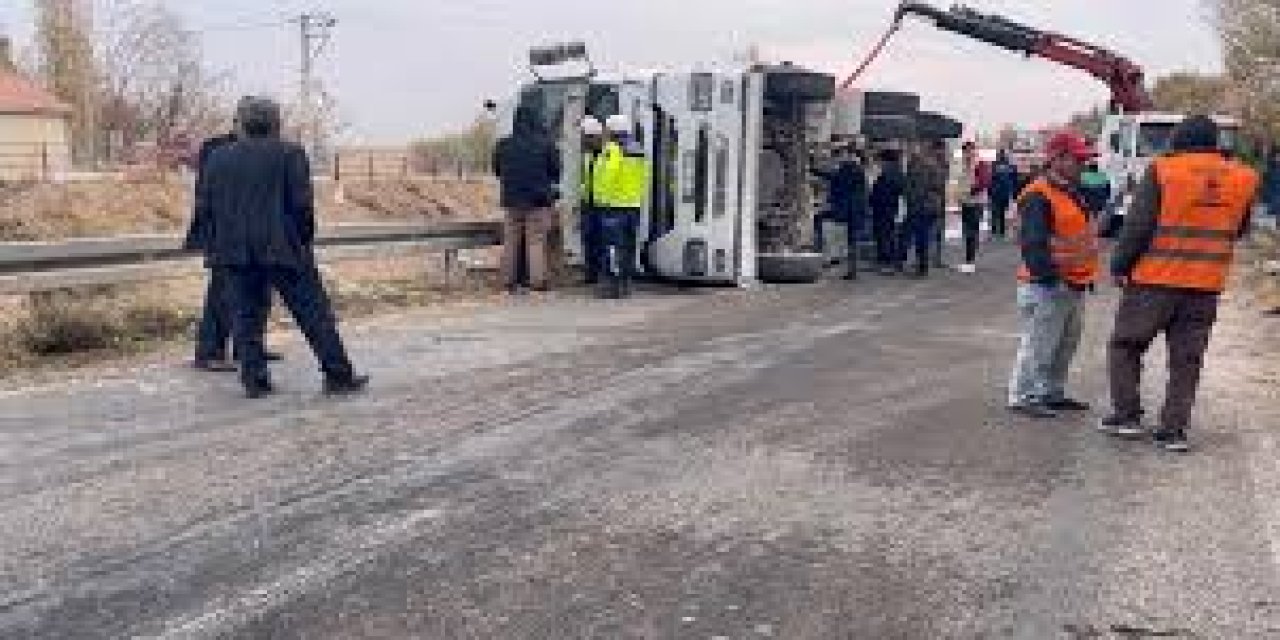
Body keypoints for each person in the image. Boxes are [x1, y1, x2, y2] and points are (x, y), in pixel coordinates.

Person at [1101, 115, 1259, 452]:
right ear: (1217, 142)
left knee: (1126, 345)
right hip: (1205, 284)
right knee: (1187, 359)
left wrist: (1119, 264)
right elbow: (1241, 229)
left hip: (1153, 282)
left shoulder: (1162, 171)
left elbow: (1138, 226)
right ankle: (1173, 431)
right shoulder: (1245, 177)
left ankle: (1126, 417)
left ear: (1178, 140)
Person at [196, 96, 367, 399]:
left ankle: (255, 380)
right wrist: (302, 239)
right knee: (314, 313)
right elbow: (301, 206)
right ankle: (338, 374)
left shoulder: (217, 158)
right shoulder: (290, 154)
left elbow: (206, 206)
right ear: (275, 123)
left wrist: (217, 244)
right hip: (283, 247)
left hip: (234, 250)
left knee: (245, 317)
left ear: (242, 123)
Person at [1007, 131, 1101, 419]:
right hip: (1047, 285)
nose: (1083, 165)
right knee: (1039, 344)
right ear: (1058, 159)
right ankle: (1023, 395)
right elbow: (1033, 244)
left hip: (1072, 284)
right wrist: (1049, 278)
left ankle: (1051, 392)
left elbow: (1078, 236)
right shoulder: (1038, 195)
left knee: (1064, 345)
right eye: (1078, 160)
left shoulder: (1070, 192)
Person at [184, 106, 281, 372]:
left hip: (255, 238)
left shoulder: (262, 150)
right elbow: (209, 194)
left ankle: (247, 348)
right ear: (239, 121)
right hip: (225, 236)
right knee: (221, 295)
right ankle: (209, 352)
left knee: (259, 294)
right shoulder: (216, 148)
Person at [493, 104, 562, 293]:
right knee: (536, 242)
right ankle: (537, 282)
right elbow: (556, 171)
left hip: (511, 201)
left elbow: (498, 171)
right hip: (537, 202)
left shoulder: (503, 144)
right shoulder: (546, 144)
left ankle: (508, 282)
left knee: (511, 241)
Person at [589, 114, 648, 299]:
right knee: (629, 247)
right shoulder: (638, 149)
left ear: (611, 130)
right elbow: (645, 178)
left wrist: (600, 198)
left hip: (613, 206)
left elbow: (609, 174)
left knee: (612, 247)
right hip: (633, 206)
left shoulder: (613, 149)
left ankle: (611, 286)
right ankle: (625, 284)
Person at [814, 143, 870, 280]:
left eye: (841, 154)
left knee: (818, 220)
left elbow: (834, 179)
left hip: (846, 209)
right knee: (852, 240)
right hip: (856, 210)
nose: (839, 157)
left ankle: (821, 256)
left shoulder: (848, 168)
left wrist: (813, 170)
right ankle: (852, 270)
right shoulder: (858, 169)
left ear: (848, 155)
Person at [901, 139, 948, 277]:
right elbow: (939, 186)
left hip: (921, 206)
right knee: (922, 236)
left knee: (920, 236)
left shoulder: (918, 166)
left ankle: (921, 267)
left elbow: (916, 189)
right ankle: (921, 264)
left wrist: (910, 199)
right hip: (931, 206)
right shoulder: (935, 165)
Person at [578, 116, 606, 285]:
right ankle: (591, 274)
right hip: (589, 202)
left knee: (601, 239)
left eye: (586, 136)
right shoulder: (587, 155)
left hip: (603, 203)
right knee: (589, 238)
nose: (583, 140)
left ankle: (600, 273)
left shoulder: (607, 153)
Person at [870, 148, 906, 275]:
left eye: (880, 160)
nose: (879, 163)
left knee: (885, 235)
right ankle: (889, 262)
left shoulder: (889, 173)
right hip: (888, 208)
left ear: (886, 161)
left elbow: (884, 191)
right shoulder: (896, 172)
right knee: (888, 234)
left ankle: (888, 262)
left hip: (885, 208)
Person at [955, 141, 990, 273]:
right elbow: (961, 182)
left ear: (974, 151)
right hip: (966, 202)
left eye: (970, 150)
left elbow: (984, 181)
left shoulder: (980, 164)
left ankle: (970, 262)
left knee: (972, 232)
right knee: (967, 232)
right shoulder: (963, 165)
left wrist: (971, 191)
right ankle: (968, 260)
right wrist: (961, 196)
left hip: (976, 202)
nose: (967, 153)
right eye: (965, 151)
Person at [988, 149, 1020, 240]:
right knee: (999, 212)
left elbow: (1014, 180)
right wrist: (1014, 193)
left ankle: (996, 230)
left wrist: (1014, 193)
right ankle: (999, 230)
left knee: (997, 212)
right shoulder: (1010, 167)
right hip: (1002, 192)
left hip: (998, 192)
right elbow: (1015, 181)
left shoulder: (994, 166)